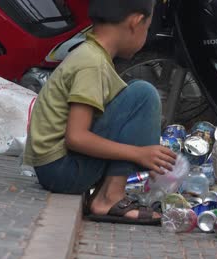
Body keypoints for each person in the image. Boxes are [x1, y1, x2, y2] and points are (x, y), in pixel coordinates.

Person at [23, 0, 177, 225]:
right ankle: (110, 197)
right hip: (61, 170)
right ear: (136, 23)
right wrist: (138, 153)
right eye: (148, 26)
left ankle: (105, 193)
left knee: (134, 96)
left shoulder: (92, 55)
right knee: (143, 95)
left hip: (55, 168)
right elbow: (76, 137)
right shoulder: (92, 64)